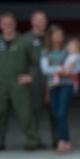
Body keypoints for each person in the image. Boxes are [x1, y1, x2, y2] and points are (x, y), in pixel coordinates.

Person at [0, 12, 40, 151]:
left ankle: (32, 140)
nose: (7, 26)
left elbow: (36, 61)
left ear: (15, 24)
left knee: (25, 113)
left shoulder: (24, 41)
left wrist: (30, 76)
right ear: (0, 25)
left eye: (10, 23)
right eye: (4, 24)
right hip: (0, 83)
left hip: (18, 83)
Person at [40, 26, 80, 153]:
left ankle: (64, 141)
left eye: (60, 35)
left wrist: (69, 70)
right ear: (51, 37)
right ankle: (60, 139)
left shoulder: (68, 49)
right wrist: (59, 70)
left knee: (61, 112)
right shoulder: (46, 51)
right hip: (52, 85)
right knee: (56, 114)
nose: (58, 38)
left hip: (67, 84)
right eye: (56, 35)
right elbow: (45, 69)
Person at [26, 9, 52, 147]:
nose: (41, 23)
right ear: (32, 21)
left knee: (54, 111)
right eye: (38, 20)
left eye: (43, 20)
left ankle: (57, 140)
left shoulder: (52, 37)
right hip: (35, 80)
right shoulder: (26, 39)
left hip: (52, 79)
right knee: (34, 111)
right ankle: (33, 140)